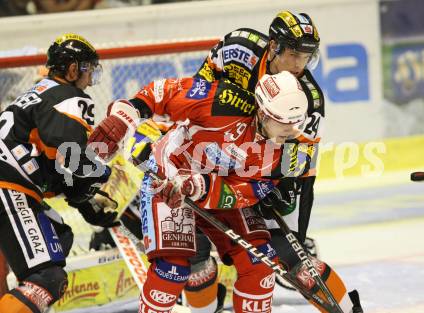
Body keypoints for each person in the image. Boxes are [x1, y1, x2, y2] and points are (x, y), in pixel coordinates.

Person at [90, 71, 314, 313]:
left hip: (216, 189)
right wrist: (127, 116)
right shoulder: (222, 101)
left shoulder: (291, 150)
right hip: (169, 178)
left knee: (260, 262)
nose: (293, 130)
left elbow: (250, 190)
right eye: (284, 122)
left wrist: (201, 186)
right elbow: (161, 92)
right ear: (262, 112)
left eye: (298, 122)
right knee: (171, 270)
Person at [185, 10, 325, 312]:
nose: (299, 65)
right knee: (192, 250)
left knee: (285, 242)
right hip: (212, 148)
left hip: (258, 165)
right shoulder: (239, 47)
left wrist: (282, 192)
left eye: (306, 57)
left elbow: (302, 166)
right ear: (273, 46)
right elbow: (198, 89)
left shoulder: (309, 98)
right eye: (292, 54)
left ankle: (289, 251)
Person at [0, 33, 118, 313]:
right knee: (48, 278)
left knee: (58, 235)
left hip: (13, 187)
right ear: (74, 69)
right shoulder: (66, 95)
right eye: (90, 70)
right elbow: (72, 157)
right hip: (8, 189)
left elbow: (55, 165)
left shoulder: (38, 92)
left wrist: (83, 199)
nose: (90, 81)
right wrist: (106, 175)